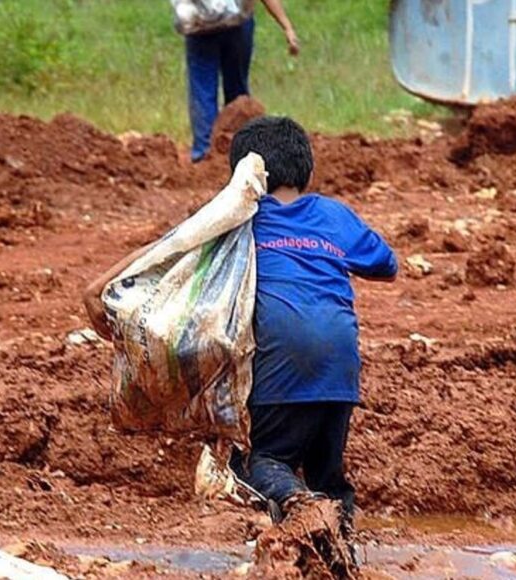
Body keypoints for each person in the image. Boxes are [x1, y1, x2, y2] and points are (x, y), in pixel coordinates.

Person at [82, 117, 397, 538]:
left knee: (259, 463)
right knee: (328, 477)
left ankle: (299, 507)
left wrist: (101, 287)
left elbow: (172, 247)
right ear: (307, 169)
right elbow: (385, 265)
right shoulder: (332, 215)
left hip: (278, 365)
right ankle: (337, 545)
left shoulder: (238, 219)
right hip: (340, 371)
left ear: (243, 176)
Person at [173, 0, 300, 163]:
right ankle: (242, 153)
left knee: (202, 91)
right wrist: (287, 27)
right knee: (237, 92)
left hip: (200, 22)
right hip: (237, 23)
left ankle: (205, 155)